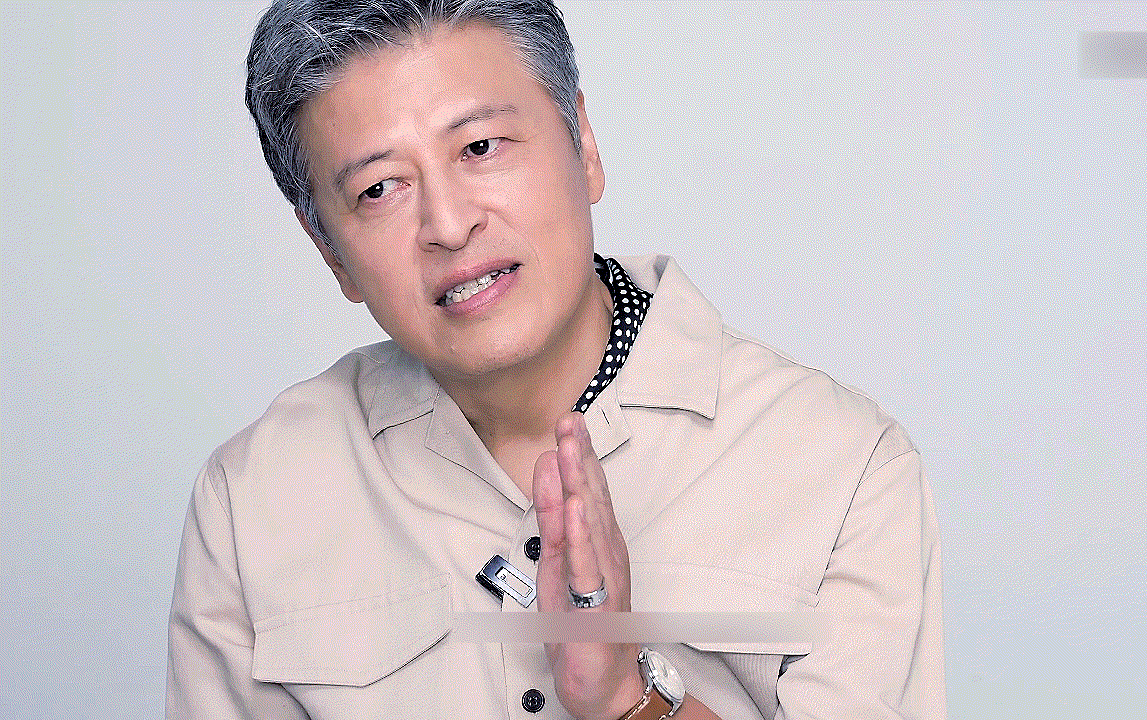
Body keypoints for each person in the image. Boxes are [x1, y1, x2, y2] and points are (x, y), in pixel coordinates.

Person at [166, 1, 945, 718]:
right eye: (379, 189)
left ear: (586, 144)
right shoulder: (254, 502)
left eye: (480, 147)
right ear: (328, 249)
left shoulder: (844, 468)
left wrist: (628, 699)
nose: (449, 224)